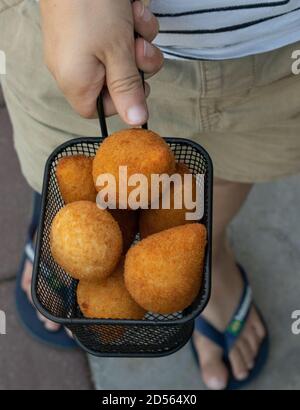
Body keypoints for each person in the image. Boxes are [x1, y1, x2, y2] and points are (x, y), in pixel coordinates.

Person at [1, 0, 300, 390]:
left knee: (228, 171)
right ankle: (51, 225)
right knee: (65, 159)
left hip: (277, 51)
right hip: (73, 31)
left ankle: (214, 253)